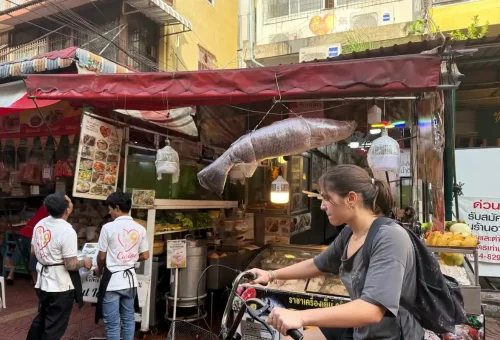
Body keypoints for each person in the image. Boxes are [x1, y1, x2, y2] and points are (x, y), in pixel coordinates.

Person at [249, 164, 423, 340]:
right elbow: (318, 264)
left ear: (351, 199)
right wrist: (270, 274)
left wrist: (300, 316)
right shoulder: (349, 232)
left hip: (392, 336)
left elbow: (372, 310)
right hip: (360, 330)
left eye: (327, 198)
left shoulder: (390, 237)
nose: (322, 206)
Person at [27, 193, 93, 340]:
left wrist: (48, 255)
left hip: (43, 281)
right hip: (60, 284)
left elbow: (33, 250)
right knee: (54, 327)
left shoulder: (40, 223)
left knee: (42, 318)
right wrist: (85, 262)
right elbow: (70, 265)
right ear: (67, 210)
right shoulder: (67, 230)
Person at [95, 192, 149, 340]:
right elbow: (145, 255)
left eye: (110, 208)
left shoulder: (107, 228)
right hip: (130, 281)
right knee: (129, 320)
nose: (109, 212)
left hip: (112, 282)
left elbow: (101, 256)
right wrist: (129, 258)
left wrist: (99, 270)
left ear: (117, 208)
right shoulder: (140, 229)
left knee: (112, 325)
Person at [5, 205, 49, 285]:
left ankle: (10, 275)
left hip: (25, 231)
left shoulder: (43, 207)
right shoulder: (53, 210)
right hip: (34, 233)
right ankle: (34, 279)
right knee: (33, 255)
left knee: (18, 252)